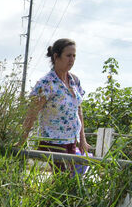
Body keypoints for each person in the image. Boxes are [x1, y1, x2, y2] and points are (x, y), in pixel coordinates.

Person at [17, 38, 90, 171]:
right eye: (68, 55)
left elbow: (78, 109)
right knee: (65, 177)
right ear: (56, 56)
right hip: (53, 141)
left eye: (74, 56)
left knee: (69, 178)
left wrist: (82, 139)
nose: (72, 59)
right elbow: (32, 114)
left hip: (71, 140)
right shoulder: (47, 83)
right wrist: (21, 140)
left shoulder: (74, 80)